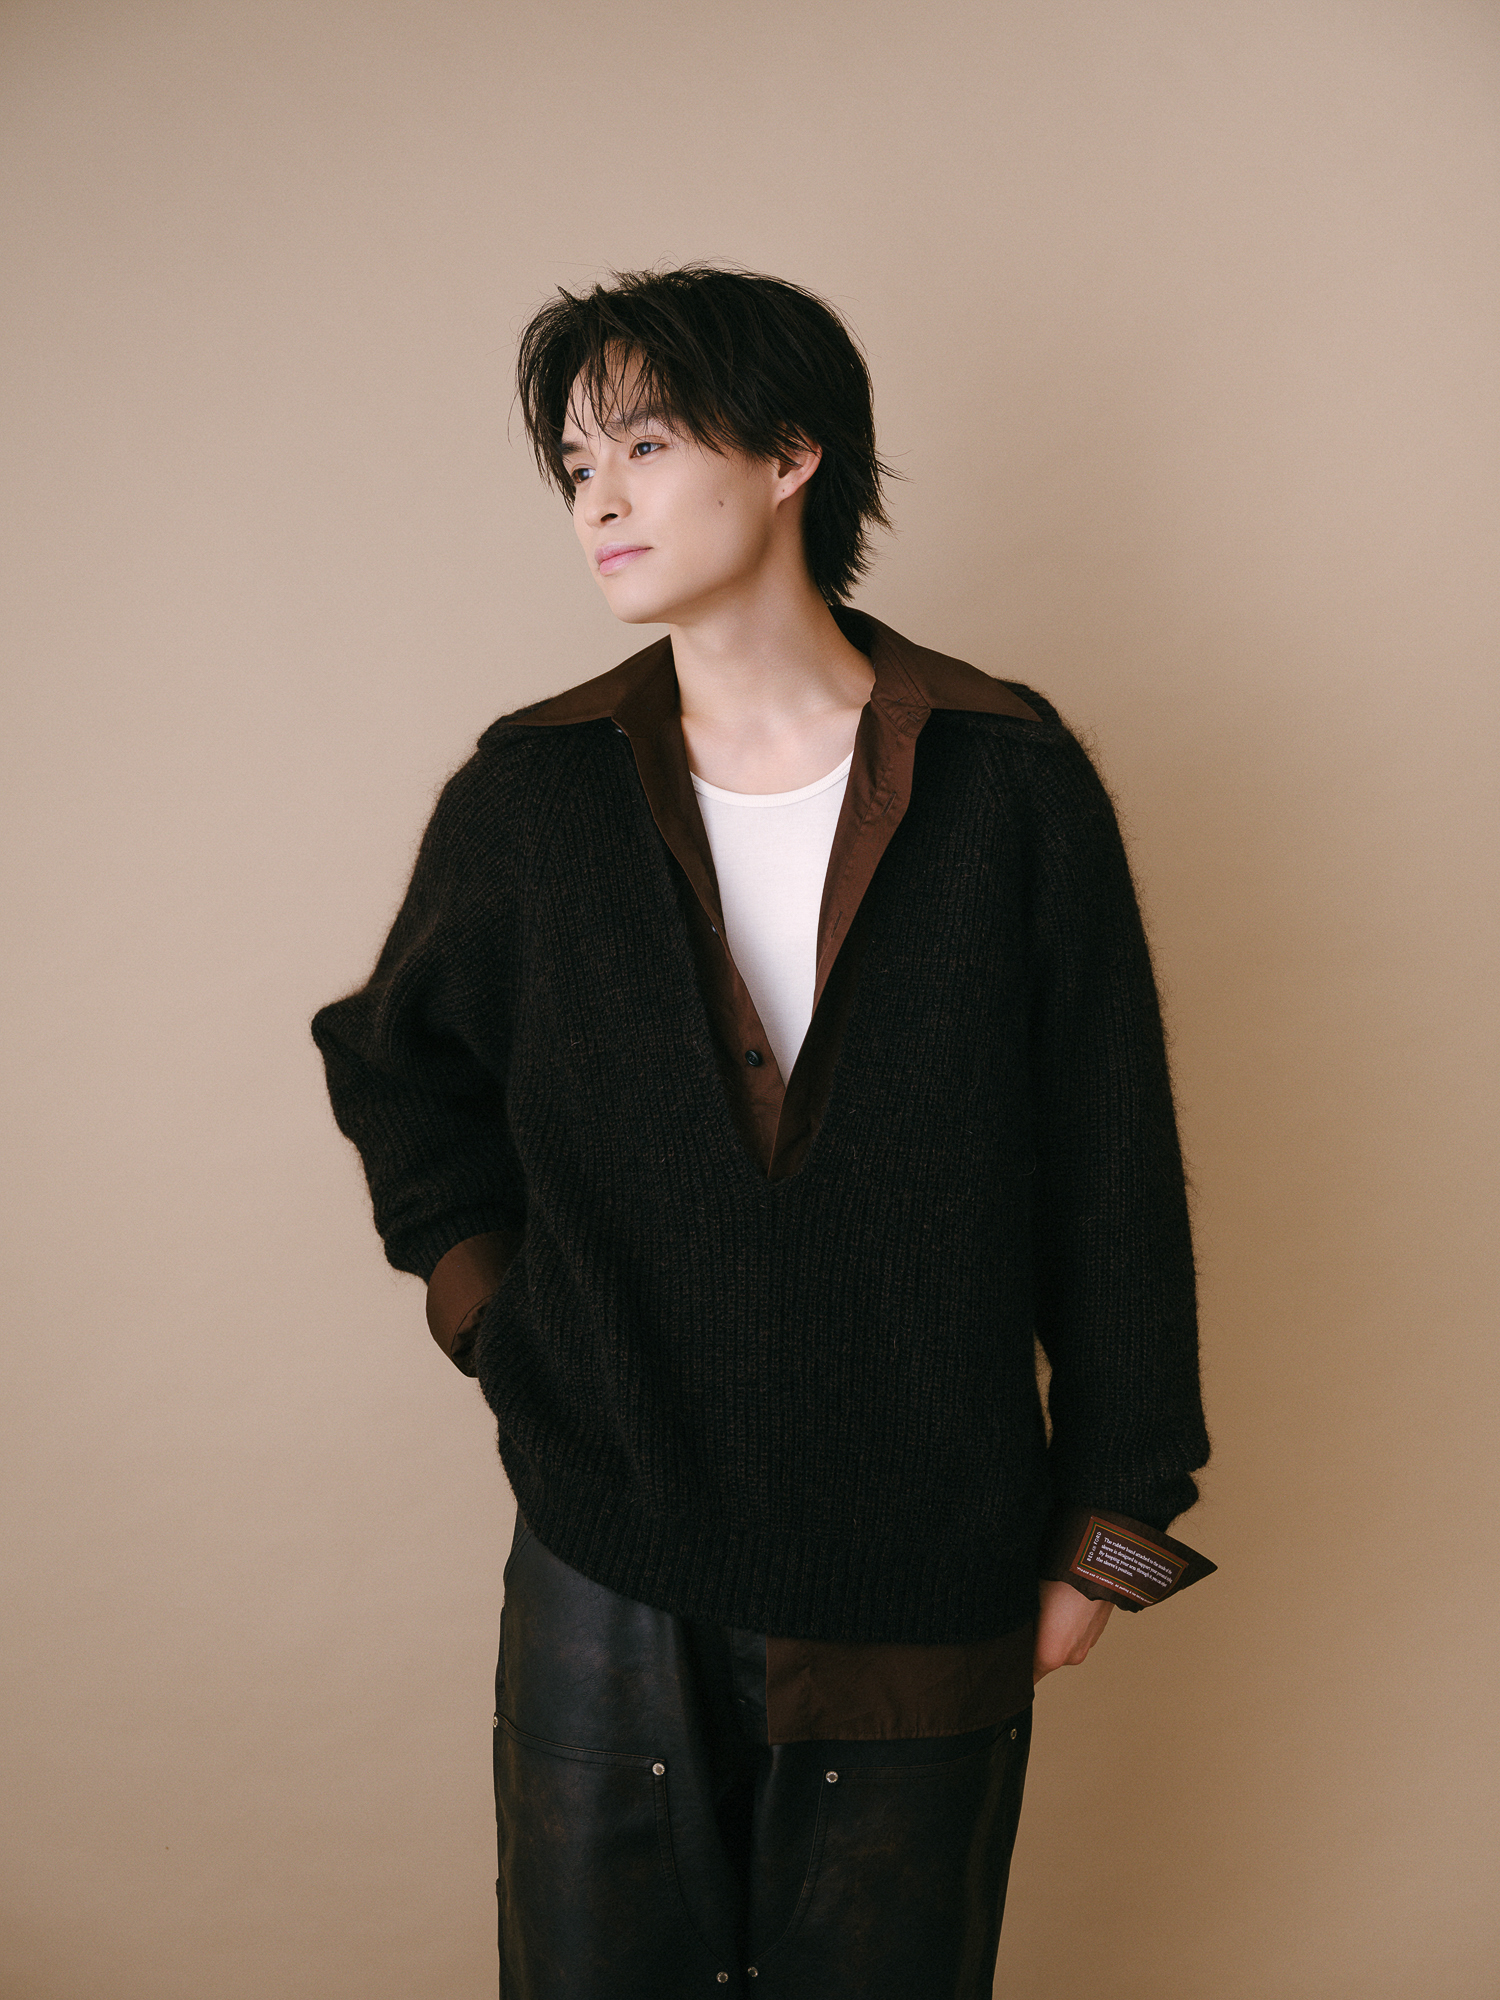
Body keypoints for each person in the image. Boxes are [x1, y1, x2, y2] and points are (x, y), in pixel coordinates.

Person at [311, 265, 1214, 1998]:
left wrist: (1117, 1537)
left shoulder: (1010, 782)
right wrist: (506, 1321)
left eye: (646, 445)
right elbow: (397, 1068)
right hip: (606, 1559)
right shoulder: (534, 793)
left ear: (793, 454)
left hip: (926, 1563)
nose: (601, 496)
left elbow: (1113, 1175)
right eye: (579, 463)